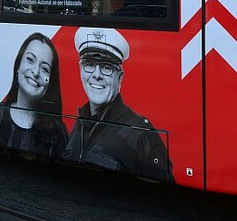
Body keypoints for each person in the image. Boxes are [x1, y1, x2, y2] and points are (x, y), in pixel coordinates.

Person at [63, 28, 174, 182]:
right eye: (89, 64)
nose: (96, 75)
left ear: (119, 78)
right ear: (81, 70)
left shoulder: (138, 132)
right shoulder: (82, 122)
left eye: (106, 67)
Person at [0, 32, 68, 159]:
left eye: (45, 69)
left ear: (50, 82)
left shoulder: (58, 131)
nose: (36, 72)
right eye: (30, 60)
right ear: (18, 67)